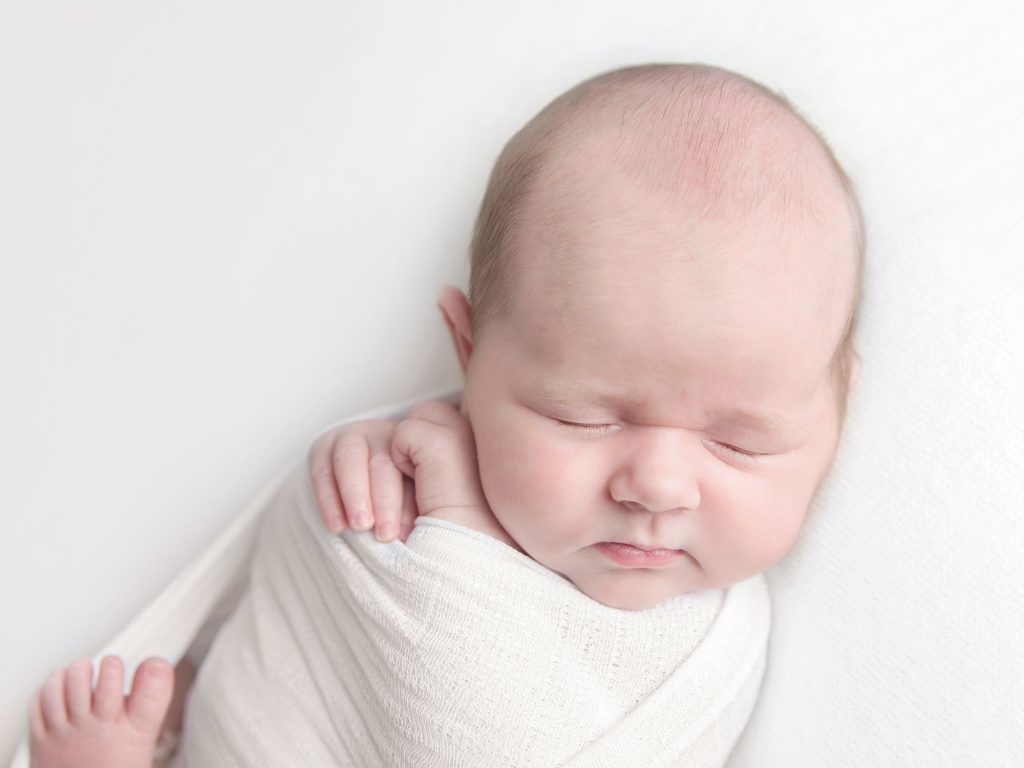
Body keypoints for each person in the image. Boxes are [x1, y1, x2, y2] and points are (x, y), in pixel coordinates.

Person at [28, 61, 862, 767]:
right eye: (583, 418)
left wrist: (460, 540)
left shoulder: (706, 654)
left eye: (738, 441)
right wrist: (347, 477)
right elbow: (303, 578)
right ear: (470, 353)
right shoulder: (412, 452)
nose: (657, 486)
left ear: (835, 408)